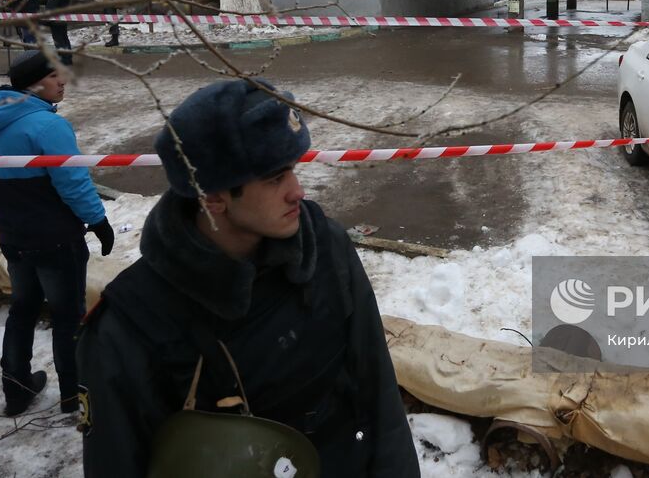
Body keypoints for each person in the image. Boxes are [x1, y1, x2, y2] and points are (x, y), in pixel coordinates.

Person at [76, 79, 420, 476]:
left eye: (291, 169)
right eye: (275, 179)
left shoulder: (326, 246)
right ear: (213, 199)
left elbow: (378, 393)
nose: (297, 191)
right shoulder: (129, 326)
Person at [0, 50, 112, 416]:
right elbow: (72, 182)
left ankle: (16, 389)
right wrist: (98, 220)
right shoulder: (48, 126)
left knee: (22, 311)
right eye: (55, 77)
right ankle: (74, 394)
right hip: (55, 239)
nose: (63, 82)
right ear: (35, 84)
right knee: (68, 317)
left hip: (15, 237)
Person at [42, 0, 74, 65]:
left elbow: (51, 4)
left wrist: (46, 18)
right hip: (62, 17)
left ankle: (64, 60)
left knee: (59, 39)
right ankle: (68, 58)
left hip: (56, 18)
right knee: (64, 37)